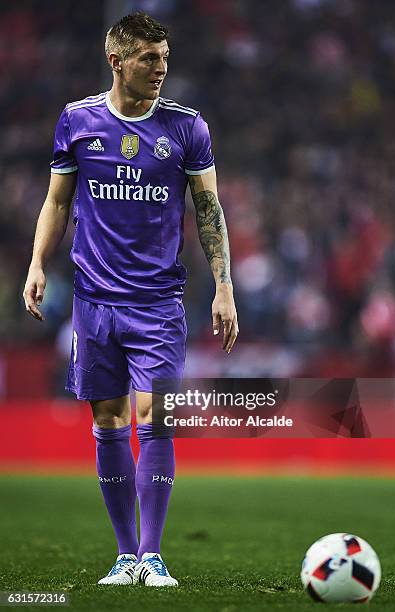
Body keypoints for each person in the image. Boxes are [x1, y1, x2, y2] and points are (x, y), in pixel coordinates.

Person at [23, 12, 238, 588]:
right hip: (93, 302)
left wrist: (223, 285)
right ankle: (125, 557)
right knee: (110, 421)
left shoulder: (188, 128)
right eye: (149, 58)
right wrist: (38, 263)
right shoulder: (77, 121)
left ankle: (153, 555)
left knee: (154, 418)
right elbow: (57, 202)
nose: (160, 69)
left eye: (164, 58)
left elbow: (209, 211)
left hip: (158, 304)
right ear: (117, 61)